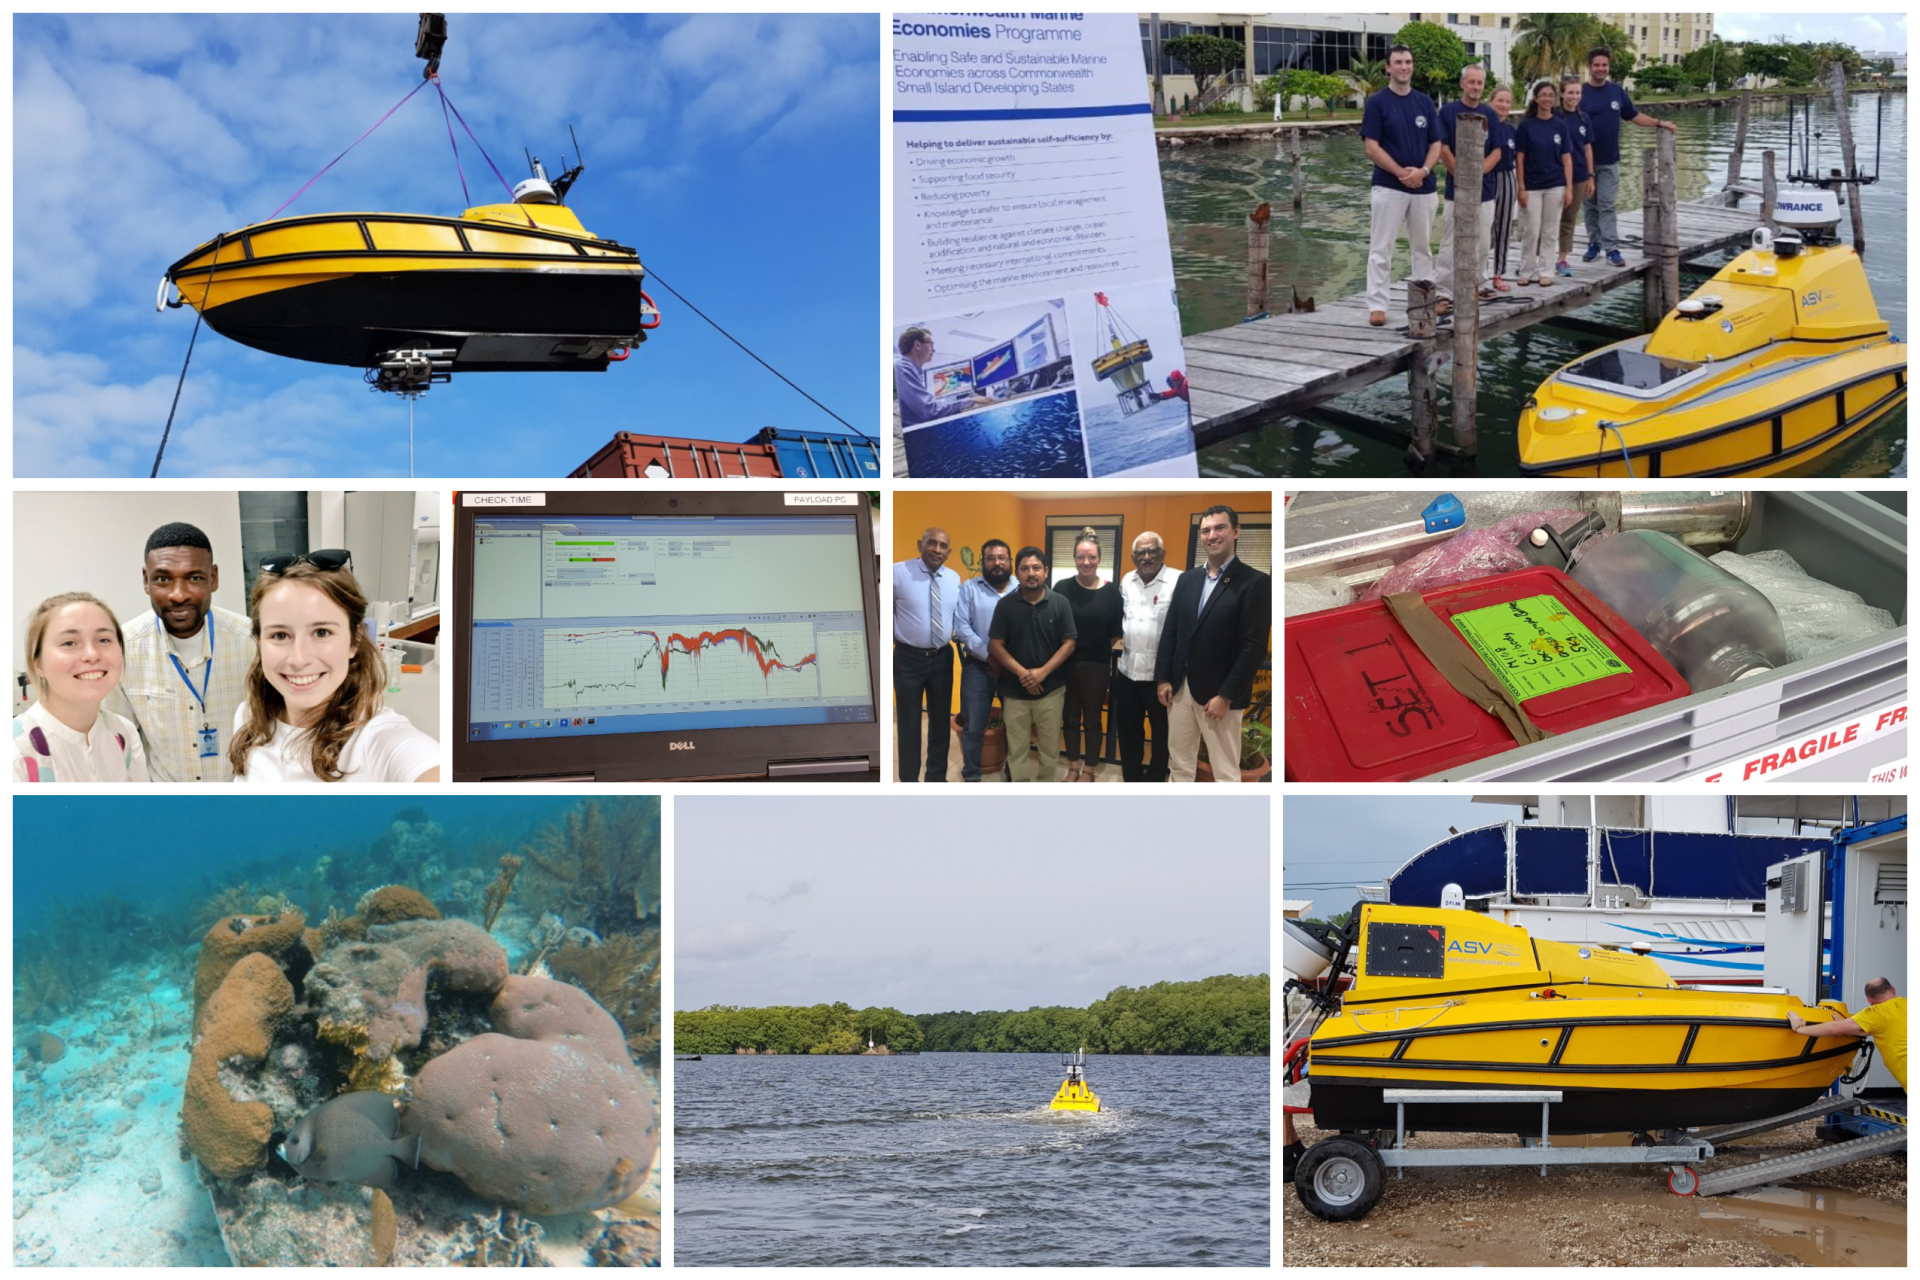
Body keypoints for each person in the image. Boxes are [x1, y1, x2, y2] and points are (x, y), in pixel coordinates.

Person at [230, 554, 440, 783]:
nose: (299, 659)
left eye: (322, 632)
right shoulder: (249, 717)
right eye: (280, 635)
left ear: (354, 641)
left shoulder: (379, 741)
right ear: (259, 642)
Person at [102, 521, 254, 782]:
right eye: (163, 579)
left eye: (194, 578)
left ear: (213, 578)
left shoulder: (254, 642)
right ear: (146, 580)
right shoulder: (121, 650)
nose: (178, 595)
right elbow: (119, 748)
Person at [1155, 506, 1272, 783]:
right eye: (1206, 530)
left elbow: (1253, 647)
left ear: (1236, 532)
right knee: (1180, 763)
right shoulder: (1187, 580)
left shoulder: (1254, 582)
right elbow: (1171, 631)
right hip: (1180, 689)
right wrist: (1162, 678)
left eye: (1219, 528)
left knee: (1225, 771)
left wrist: (1226, 696)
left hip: (1219, 696)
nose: (1212, 535)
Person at [11, 592, 148, 783]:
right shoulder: (15, 750)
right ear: (38, 664)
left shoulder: (123, 732)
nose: (92, 655)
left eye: (103, 640)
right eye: (69, 643)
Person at [1360, 44, 1442, 327]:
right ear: (1388, 67)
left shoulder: (1424, 102)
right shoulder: (1377, 103)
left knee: (1422, 248)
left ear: (1412, 65)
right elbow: (1371, 147)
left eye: (1408, 62)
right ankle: (1377, 305)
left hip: (1424, 186)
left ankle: (1423, 300)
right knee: (1382, 247)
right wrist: (1400, 173)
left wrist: (1423, 170)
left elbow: (1436, 143)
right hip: (1388, 186)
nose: (1404, 67)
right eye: (1398, 62)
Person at [1581, 47, 1677, 267]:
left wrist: (1659, 123)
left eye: (1604, 65)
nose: (1601, 69)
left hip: (1610, 160)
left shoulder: (1616, 92)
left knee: (1607, 204)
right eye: (1597, 65)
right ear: (1590, 66)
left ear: (1608, 67)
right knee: (1590, 205)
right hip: (1584, 162)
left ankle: (1611, 248)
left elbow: (1633, 116)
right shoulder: (1580, 93)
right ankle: (1593, 244)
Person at [988, 547, 1077, 783]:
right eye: (1025, 568)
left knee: (1049, 749)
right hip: (1014, 692)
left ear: (1045, 572)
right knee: (1017, 750)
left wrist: (1042, 673)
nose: (1031, 573)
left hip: (1052, 691)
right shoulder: (1005, 606)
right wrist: (1023, 674)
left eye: (1036, 568)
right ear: (1016, 573)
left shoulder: (1060, 603)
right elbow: (995, 645)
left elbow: (1069, 643)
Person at [892, 526, 960, 781]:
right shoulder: (898, 573)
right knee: (909, 725)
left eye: (943, 546)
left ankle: (936, 780)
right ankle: (909, 782)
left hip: (942, 658)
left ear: (949, 552)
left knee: (941, 723)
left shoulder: (954, 578)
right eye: (932, 543)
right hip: (908, 660)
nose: (937, 549)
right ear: (919, 544)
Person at [1432, 63, 1501, 313]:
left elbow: (1497, 150)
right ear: (1463, 84)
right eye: (1471, 82)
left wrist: (1480, 172)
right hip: (1456, 190)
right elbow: (1443, 148)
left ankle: (1478, 283)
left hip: (1485, 191)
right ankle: (1443, 291)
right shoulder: (1448, 112)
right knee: (1451, 241)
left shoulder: (1490, 114)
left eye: (1480, 83)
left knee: (1483, 241)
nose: (1475, 87)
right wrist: (1461, 175)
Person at [1055, 530, 1122, 783]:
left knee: (1092, 719)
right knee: (1070, 718)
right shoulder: (1061, 588)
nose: (1086, 562)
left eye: (1091, 557)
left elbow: (1115, 633)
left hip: (1097, 665)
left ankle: (1090, 769)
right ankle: (1073, 766)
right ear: (1074, 558)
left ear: (1099, 558)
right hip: (1066, 664)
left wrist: (1095, 647)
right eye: (1081, 557)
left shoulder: (1111, 591)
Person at [1115, 531, 1181, 782]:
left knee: (1162, 736)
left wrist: (1169, 676)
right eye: (1140, 553)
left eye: (1152, 551)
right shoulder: (1126, 581)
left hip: (1161, 677)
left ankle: (1154, 783)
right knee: (1129, 733)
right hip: (1127, 673)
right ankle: (1132, 781)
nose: (1146, 557)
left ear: (1162, 554)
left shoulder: (1178, 580)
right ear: (1133, 557)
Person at [950, 538, 1016, 783]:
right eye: (990, 558)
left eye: (1001, 558)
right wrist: (990, 656)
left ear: (1009, 561)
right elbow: (962, 627)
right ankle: (972, 774)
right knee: (974, 725)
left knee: (1015, 725)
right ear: (982, 561)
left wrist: (1007, 661)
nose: (996, 563)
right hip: (978, 667)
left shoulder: (1020, 587)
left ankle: (1013, 770)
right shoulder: (970, 588)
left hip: (1013, 670)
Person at [1788, 976, 1907, 1091]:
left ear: (1869, 1000)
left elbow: (1834, 1028)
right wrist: (1847, 1027)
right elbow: (1876, 1030)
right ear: (1893, 989)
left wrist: (1799, 1029)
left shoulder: (1876, 1012)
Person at [1514, 80, 1572, 289]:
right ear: (1536, 98)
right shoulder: (1526, 125)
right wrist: (1521, 187)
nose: (1547, 99)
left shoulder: (1560, 126)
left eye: (1550, 95)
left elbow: (1566, 159)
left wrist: (1569, 189)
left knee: (1550, 231)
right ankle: (1526, 270)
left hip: (1555, 185)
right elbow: (1519, 158)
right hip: (1531, 186)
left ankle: (1546, 271)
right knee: (1531, 231)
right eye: (1543, 95)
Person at [895, 327, 991, 426]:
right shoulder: (903, 369)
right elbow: (930, 411)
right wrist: (970, 401)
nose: (934, 350)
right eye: (931, 345)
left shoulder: (907, 369)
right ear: (917, 345)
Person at [1555, 76, 1596, 277]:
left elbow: (1587, 148)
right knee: (1547, 220)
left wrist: (1590, 176)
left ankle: (1562, 259)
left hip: (1579, 175)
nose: (1574, 96)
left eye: (1577, 93)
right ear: (1562, 94)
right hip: (1555, 175)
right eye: (1570, 92)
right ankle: (1538, 259)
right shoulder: (1553, 116)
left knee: (1569, 219)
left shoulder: (1584, 118)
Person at [1486, 86, 1519, 292]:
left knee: (1503, 228)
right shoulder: (1482, 126)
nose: (1504, 105)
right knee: (1482, 229)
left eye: (1507, 102)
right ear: (1490, 101)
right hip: (1485, 178)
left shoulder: (1511, 130)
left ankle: (1498, 273)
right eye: (1500, 101)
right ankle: (1478, 274)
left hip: (1507, 177)